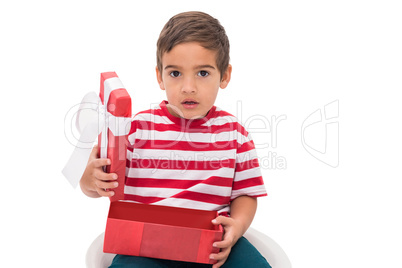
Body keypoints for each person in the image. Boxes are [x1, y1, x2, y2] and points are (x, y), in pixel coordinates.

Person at [80, 11, 271, 268]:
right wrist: (91, 180)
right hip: (145, 245)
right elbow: (95, 183)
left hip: (212, 244)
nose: (188, 87)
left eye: (203, 73)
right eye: (175, 74)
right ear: (159, 76)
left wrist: (236, 225)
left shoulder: (235, 134)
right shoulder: (134, 130)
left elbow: (246, 194)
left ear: (224, 76)